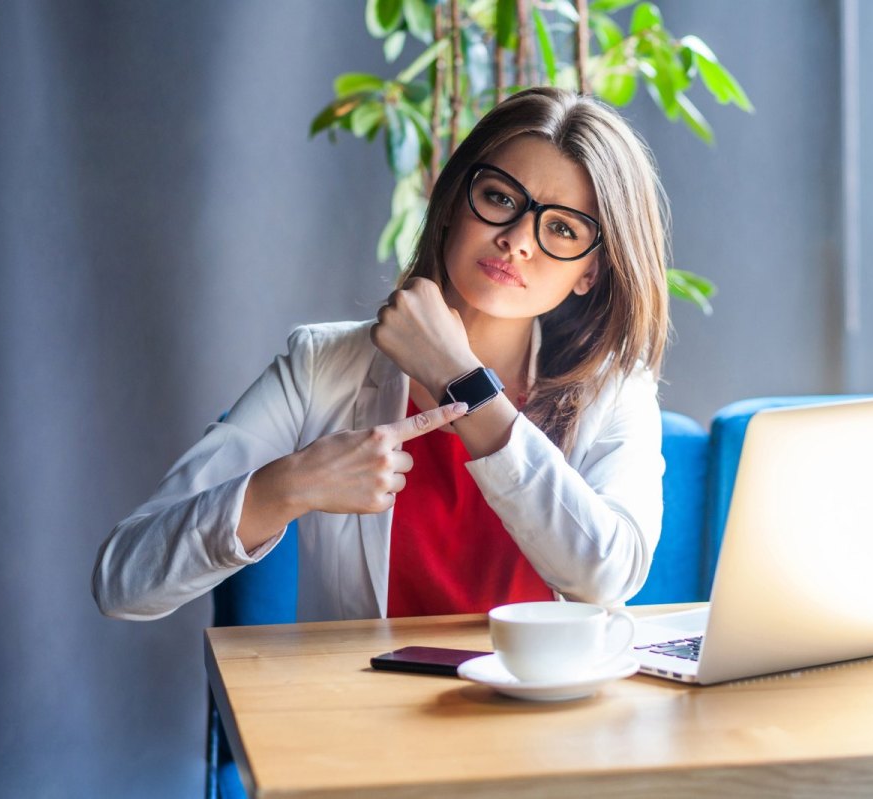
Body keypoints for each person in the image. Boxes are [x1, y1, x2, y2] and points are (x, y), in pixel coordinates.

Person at [92, 87, 670, 622]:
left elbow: (609, 575)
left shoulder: (614, 389)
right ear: (452, 203)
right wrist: (289, 485)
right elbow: (124, 581)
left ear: (590, 272)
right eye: (499, 197)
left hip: (545, 725)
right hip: (367, 722)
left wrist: (459, 380)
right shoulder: (321, 366)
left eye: (563, 229)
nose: (518, 239)